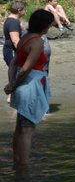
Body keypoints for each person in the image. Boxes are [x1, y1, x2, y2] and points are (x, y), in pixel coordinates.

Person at [5, 9, 55, 167]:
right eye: (49, 25)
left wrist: (12, 83)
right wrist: (13, 84)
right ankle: (24, 167)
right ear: (44, 25)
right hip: (30, 86)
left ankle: (17, 162)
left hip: (22, 85)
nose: (49, 28)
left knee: (20, 127)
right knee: (27, 129)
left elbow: (14, 63)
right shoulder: (38, 42)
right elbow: (26, 68)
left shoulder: (24, 38)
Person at [4, 0, 27, 70]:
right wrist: (25, 53)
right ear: (19, 10)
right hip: (11, 52)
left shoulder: (11, 20)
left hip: (9, 50)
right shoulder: (13, 22)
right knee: (16, 75)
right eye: (24, 10)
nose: (25, 12)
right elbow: (15, 41)